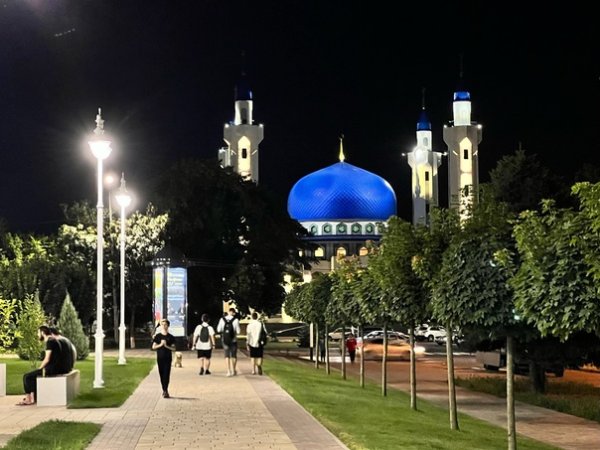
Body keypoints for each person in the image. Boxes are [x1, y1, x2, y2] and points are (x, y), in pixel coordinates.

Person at [17, 325, 68, 406]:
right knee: (31, 376)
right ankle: (32, 398)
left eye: (38, 333)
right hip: (56, 368)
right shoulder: (53, 340)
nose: (37, 335)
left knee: (27, 377)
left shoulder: (50, 342)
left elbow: (47, 359)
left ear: (43, 333)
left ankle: (29, 399)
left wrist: (40, 368)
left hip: (52, 369)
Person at [152, 319, 177, 398]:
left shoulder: (171, 337)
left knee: (166, 374)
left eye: (165, 324)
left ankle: (165, 390)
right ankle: (164, 389)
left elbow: (174, 348)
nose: (164, 326)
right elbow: (153, 347)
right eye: (162, 324)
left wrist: (166, 346)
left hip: (168, 358)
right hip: (160, 358)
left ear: (168, 326)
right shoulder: (158, 336)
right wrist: (161, 344)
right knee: (161, 374)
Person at [217, 307, 241, 376]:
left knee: (227, 355)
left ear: (228, 312)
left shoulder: (222, 319)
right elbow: (238, 331)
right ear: (234, 313)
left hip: (225, 339)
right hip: (233, 340)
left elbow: (218, 330)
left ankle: (228, 370)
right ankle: (234, 370)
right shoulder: (236, 320)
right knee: (234, 355)